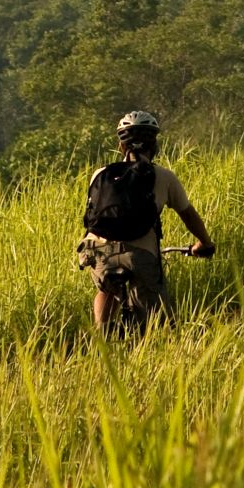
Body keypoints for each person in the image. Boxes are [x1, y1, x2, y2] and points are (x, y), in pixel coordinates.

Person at [77, 108, 214, 334]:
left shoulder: (100, 174)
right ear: (154, 145)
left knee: (106, 289)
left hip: (98, 250)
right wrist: (205, 243)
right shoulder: (163, 176)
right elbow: (188, 214)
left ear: (121, 145)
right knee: (153, 322)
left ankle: (103, 335)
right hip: (139, 255)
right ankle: (147, 344)